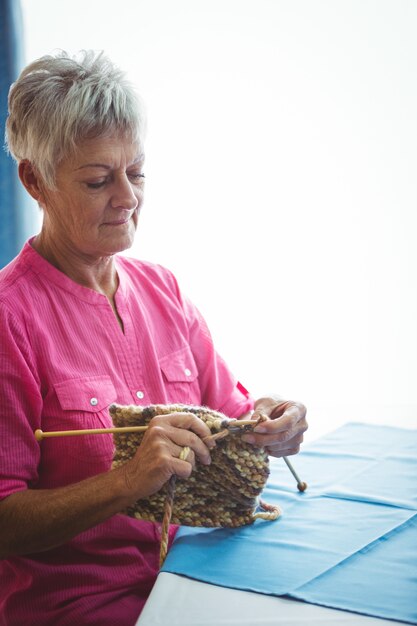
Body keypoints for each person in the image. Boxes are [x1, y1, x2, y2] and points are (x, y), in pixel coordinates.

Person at [0, 50, 307, 625]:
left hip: (196, 578)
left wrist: (273, 423)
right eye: (98, 180)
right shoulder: (9, 320)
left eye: (136, 172)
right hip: (86, 606)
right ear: (35, 180)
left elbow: (234, 417)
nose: (128, 197)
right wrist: (127, 482)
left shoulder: (162, 289)